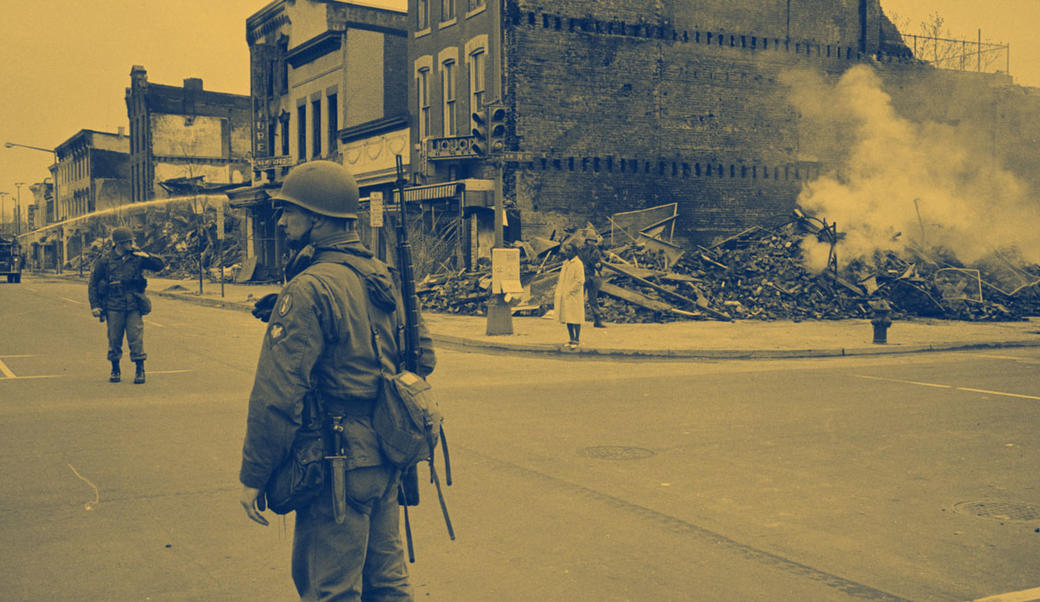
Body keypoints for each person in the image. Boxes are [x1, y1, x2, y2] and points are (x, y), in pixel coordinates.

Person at [238, 160, 436, 600]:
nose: (283, 220)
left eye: (291, 211)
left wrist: (255, 474)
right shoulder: (381, 274)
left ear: (319, 218)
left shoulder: (310, 288)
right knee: (386, 584)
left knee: (330, 589)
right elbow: (423, 358)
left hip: (337, 462)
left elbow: (277, 395)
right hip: (387, 455)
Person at [87, 226, 164, 384]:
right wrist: (95, 305)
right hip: (113, 304)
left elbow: (159, 266)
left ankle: (139, 369)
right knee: (114, 339)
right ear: (119, 243)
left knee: (136, 337)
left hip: (133, 304)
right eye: (129, 241)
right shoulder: (105, 261)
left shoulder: (137, 257)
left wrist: (145, 254)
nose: (132, 244)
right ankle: (115, 368)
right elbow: (93, 283)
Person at [554, 241, 586, 347]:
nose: (567, 253)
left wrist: (570, 290)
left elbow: (580, 280)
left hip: (574, 295)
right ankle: (571, 338)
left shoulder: (578, 264)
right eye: (566, 250)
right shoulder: (566, 263)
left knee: (576, 317)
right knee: (568, 317)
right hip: (565, 294)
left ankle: (577, 339)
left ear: (574, 252)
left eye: (569, 250)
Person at [575, 227, 606, 328]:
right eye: (590, 240)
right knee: (579, 298)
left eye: (593, 241)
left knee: (593, 299)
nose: (592, 242)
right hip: (581, 276)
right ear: (586, 241)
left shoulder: (596, 251)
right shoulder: (580, 250)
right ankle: (576, 320)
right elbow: (577, 262)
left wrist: (598, 265)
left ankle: (597, 321)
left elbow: (599, 262)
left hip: (591, 277)